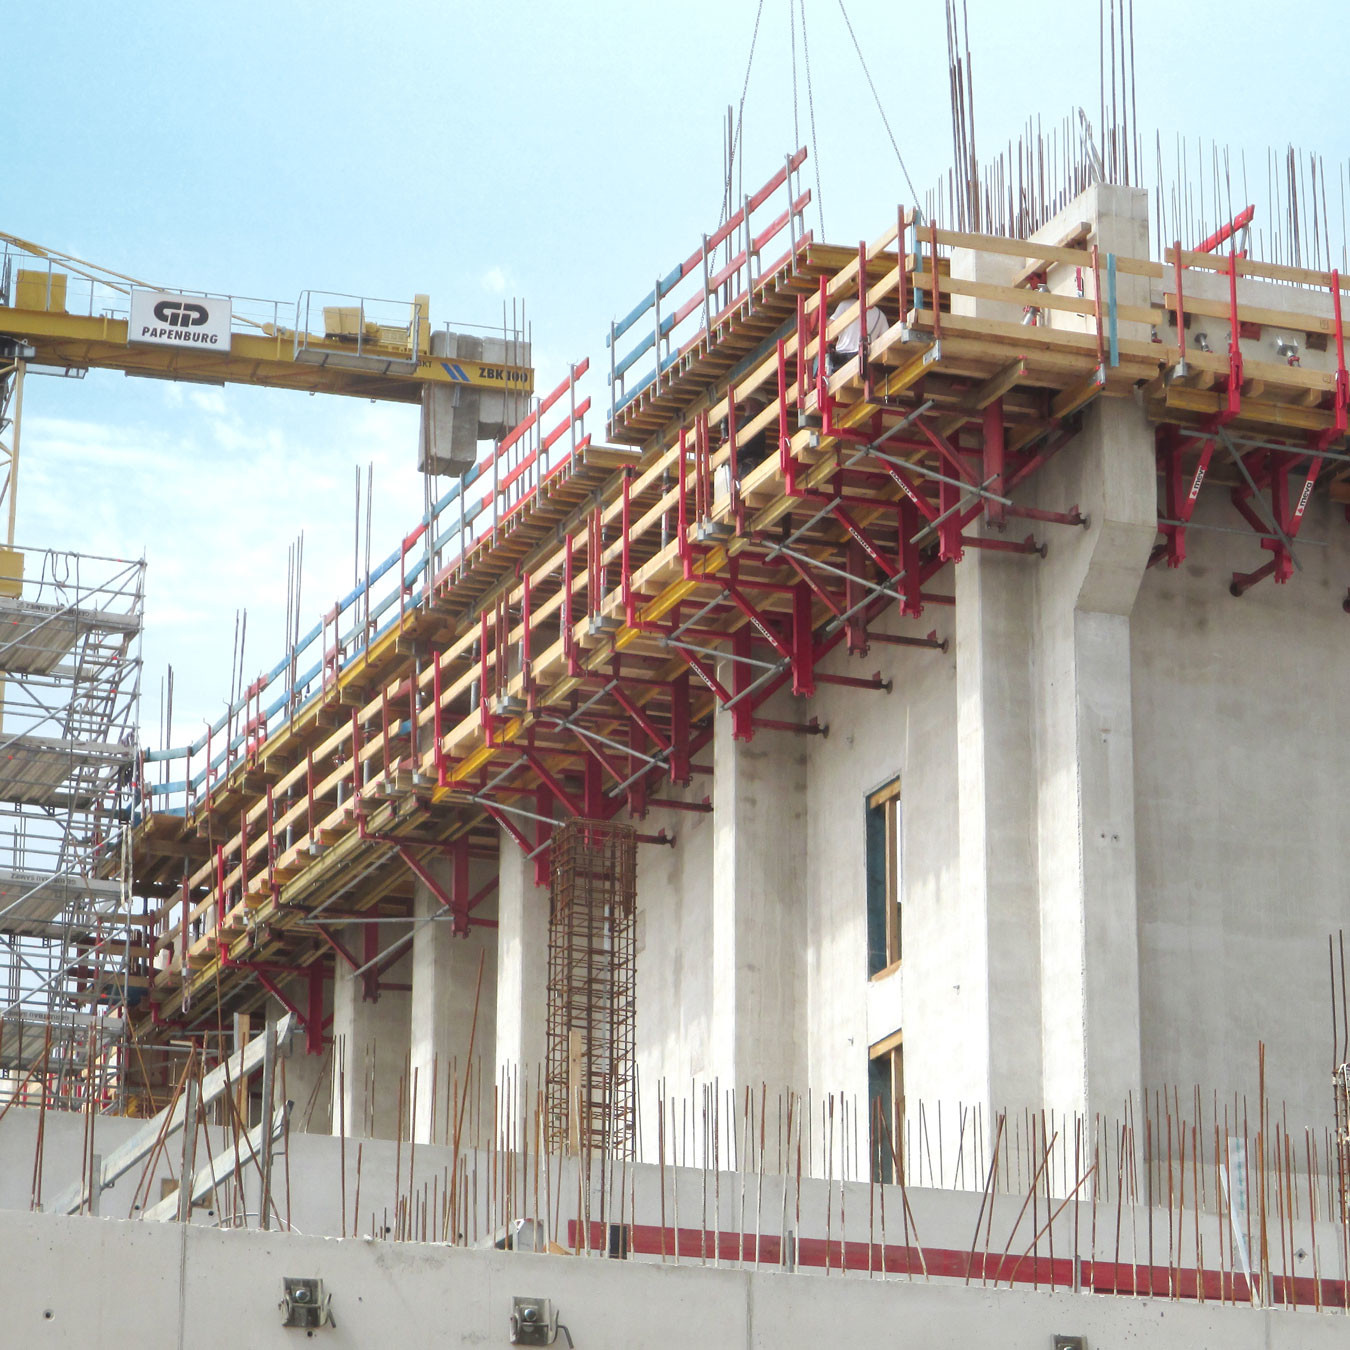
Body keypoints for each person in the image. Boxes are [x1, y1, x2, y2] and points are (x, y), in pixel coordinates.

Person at [827, 299, 889, 374]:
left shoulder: (845, 305)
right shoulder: (880, 315)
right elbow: (886, 341)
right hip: (863, 359)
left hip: (841, 359)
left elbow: (829, 329)